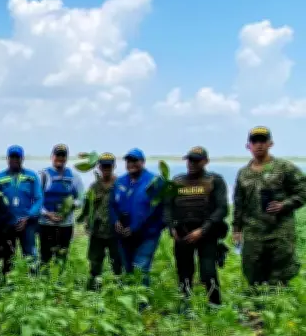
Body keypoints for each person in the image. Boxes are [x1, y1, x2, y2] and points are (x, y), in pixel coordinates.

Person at [233, 126, 306, 287]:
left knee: (280, 275)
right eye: (255, 141)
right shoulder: (243, 173)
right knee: (253, 274)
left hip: (279, 231)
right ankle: (256, 307)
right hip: (252, 233)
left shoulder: (284, 168)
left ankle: (277, 306)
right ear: (248, 146)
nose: (259, 144)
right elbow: (239, 203)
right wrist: (237, 230)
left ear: (270, 143)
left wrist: (284, 205)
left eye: (263, 141)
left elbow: (303, 191)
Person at [164, 147, 229, 307]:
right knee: (184, 272)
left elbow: (222, 208)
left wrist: (203, 230)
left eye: (196, 160)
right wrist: (171, 227)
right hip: (183, 234)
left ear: (205, 161)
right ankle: (185, 305)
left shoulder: (215, 180)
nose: (192, 163)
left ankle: (215, 305)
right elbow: (167, 207)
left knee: (208, 272)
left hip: (207, 233)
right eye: (189, 160)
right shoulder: (177, 181)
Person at [109, 148, 164, 289]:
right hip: (124, 235)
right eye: (128, 161)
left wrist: (137, 228)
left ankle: (142, 304)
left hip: (146, 235)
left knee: (140, 268)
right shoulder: (120, 182)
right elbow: (112, 205)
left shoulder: (154, 182)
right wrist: (115, 221)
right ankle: (130, 300)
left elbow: (162, 209)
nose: (131, 164)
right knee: (128, 269)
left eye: (135, 160)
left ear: (143, 162)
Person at [0, 145, 43, 274]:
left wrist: (28, 216)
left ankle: (34, 284)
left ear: (22, 158)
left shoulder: (32, 176)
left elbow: (38, 198)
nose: (15, 160)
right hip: (7, 224)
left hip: (27, 224)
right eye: (12, 157)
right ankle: (7, 283)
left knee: (31, 255)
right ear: (7, 158)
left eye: (17, 157)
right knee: (7, 256)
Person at [79, 153, 122, 290]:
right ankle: (93, 289)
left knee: (117, 263)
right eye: (103, 166)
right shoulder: (93, 187)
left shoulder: (120, 185)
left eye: (109, 165)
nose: (106, 168)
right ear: (99, 167)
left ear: (114, 166)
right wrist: (86, 221)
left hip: (115, 232)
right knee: (95, 263)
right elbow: (87, 207)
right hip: (97, 232)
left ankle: (118, 289)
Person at [39, 144, 84, 267]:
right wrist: (47, 214)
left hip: (66, 224)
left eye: (63, 156)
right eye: (57, 155)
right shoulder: (43, 175)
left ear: (66, 158)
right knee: (45, 256)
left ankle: (59, 279)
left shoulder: (74, 177)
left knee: (62, 255)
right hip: (46, 223)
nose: (60, 158)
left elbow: (81, 198)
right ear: (52, 157)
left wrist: (69, 208)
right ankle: (44, 280)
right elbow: (36, 199)